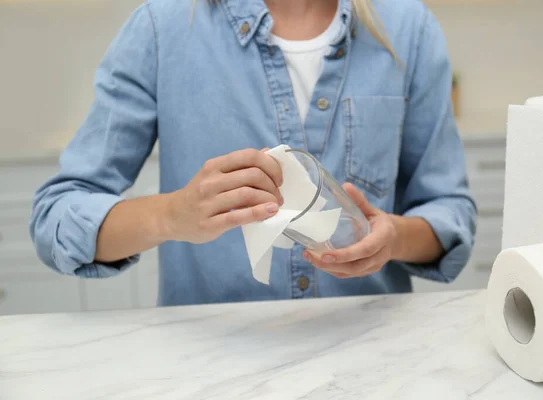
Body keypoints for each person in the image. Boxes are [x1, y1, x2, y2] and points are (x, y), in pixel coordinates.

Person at [30, 0, 477, 306]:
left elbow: (449, 212)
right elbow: (58, 217)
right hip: (214, 367)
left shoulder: (409, 28)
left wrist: (393, 237)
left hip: (370, 358)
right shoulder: (161, 26)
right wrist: (171, 215)